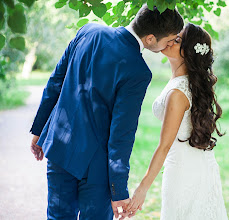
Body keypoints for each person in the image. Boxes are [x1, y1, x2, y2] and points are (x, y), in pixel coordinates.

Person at [29, 5, 183, 220]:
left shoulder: (88, 30)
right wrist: (118, 190)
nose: (170, 44)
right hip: (96, 167)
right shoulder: (138, 71)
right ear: (149, 38)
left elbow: (55, 82)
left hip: (59, 146)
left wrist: (39, 131)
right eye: (169, 39)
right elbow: (122, 133)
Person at [126, 23, 228, 220]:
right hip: (198, 163)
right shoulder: (183, 82)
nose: (170, 40)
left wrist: (142, 188)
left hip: (184, 172)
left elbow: (164, 146)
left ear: (188, 52)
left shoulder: (179, 92)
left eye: (177, 39)